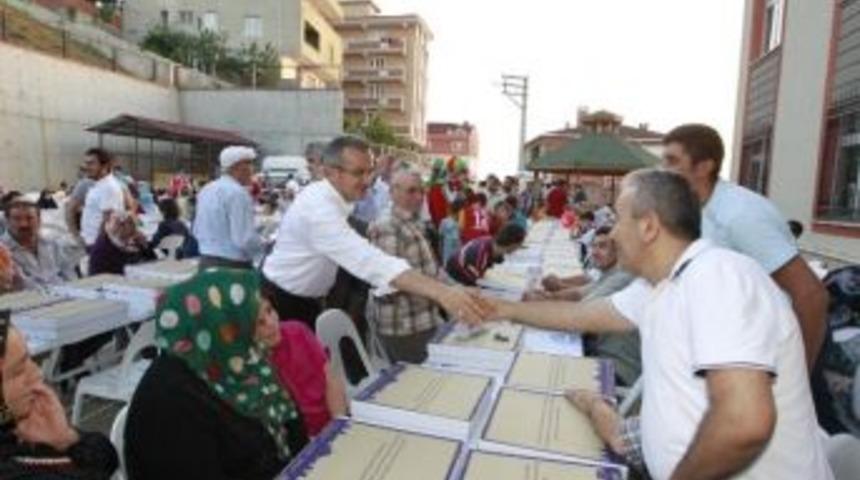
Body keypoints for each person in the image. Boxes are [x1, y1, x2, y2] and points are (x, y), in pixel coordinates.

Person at [487, 169, 833, 479]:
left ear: (648, 227)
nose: (612, 233)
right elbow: (578, 316)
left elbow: (744, 424)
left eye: (619, 220)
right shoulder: (657, 286)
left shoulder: (718, 276)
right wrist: (501, 308)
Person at [261, 136, 491, 332]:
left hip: (307, 299)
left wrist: (450, 289)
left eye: (369, 171)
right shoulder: (319, 209)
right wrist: (443, 294)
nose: (367, 181)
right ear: (332, 173)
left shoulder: (333, 198)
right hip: (283, 302)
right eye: (358, 173)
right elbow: (370, 262)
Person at [125, 269, 307, 479]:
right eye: (256, 322)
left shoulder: (239, 361)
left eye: (269, 310)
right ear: (223, 329)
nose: (273, 324)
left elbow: (294, 433)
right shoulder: (169, 402)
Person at [0, 312, 119, 479]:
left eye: (31, 359)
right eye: (19, 371)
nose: (37, 373)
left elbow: (107, 458)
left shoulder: (13, 427)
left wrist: (67, 440)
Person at [367, 168, 448, 363]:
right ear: (393, 192)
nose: (419, 197)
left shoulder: (413, 221)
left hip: (424, 320)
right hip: (405, 327)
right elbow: (392, 283)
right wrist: (445, 294)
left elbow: (430, 269)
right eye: (411, 191)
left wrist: (456, 290)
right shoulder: (387, 226)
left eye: (421, 191)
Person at [192, 146, 264, 270]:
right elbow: (244, 238)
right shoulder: (238, 193)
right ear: (237, 167)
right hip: (232, 265)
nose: (252, 169)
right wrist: (263, 251)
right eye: (248, 164)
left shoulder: (206, 189)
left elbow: (196, 229)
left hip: (206, 261)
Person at [1, 199, 78, 289]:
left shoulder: (53, 243)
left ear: (39, 220)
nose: (23, 224)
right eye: (17, 219)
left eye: (29, 218)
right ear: (7, 221)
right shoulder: (2, 251)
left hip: (64, 293)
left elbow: (70, 275)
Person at [446, 223, 526, 287]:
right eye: (519, 244)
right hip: (456, 271)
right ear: (513, 244)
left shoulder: (495, 246)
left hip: (468, 266)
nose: (519, 248)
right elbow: (477, 282)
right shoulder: (481, 255)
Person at [78, 148, 126, 250]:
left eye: (91, 164)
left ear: (104, 166)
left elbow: (108, 220)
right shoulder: (99, 185)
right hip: (92, 242)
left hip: (99, 245)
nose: (87, 167)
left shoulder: (108, 187)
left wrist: (98, 248)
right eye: (86, 163)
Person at [88, 211, 156, 276]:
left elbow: (154, 262)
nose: (126, 226)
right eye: (120, 223)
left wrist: (146, 247)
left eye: (130, 222)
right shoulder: (102, 248)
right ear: (107, 225)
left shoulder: (137, 240)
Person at [439, 196, 465, 264]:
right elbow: (441, 240)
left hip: (455, 257)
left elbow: (441, 241)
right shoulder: (445, 222)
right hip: (450, 257)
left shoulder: (445, 222)